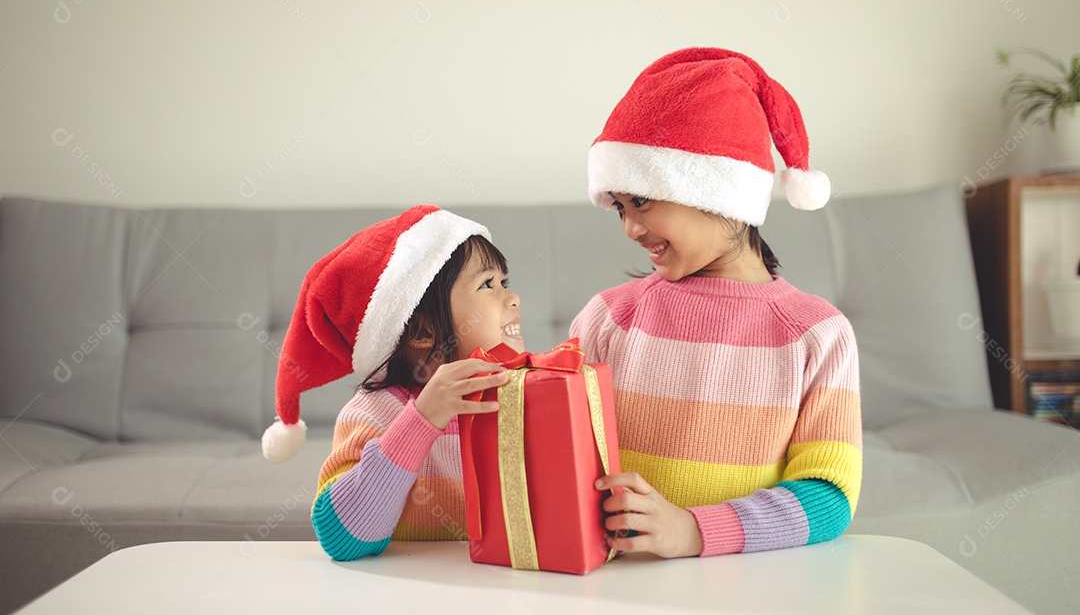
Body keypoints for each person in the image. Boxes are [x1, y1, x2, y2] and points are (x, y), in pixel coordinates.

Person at [570, 47, 862, 559]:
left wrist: (694, 531)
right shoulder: (609, 317)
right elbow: (561, 453)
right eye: (619, 208)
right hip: (617, 581)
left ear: (717, 192)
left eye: (642, 201)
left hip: (747, 585)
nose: (630, 227)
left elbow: (829, 498)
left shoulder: (817, 334)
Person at [260, 205, 522, 560]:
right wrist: (422, 421)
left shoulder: (516, 394)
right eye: (487, 284)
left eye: (505, 283)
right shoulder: (376, 413)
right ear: (423, 331)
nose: (512, 298)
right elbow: (341, 538)